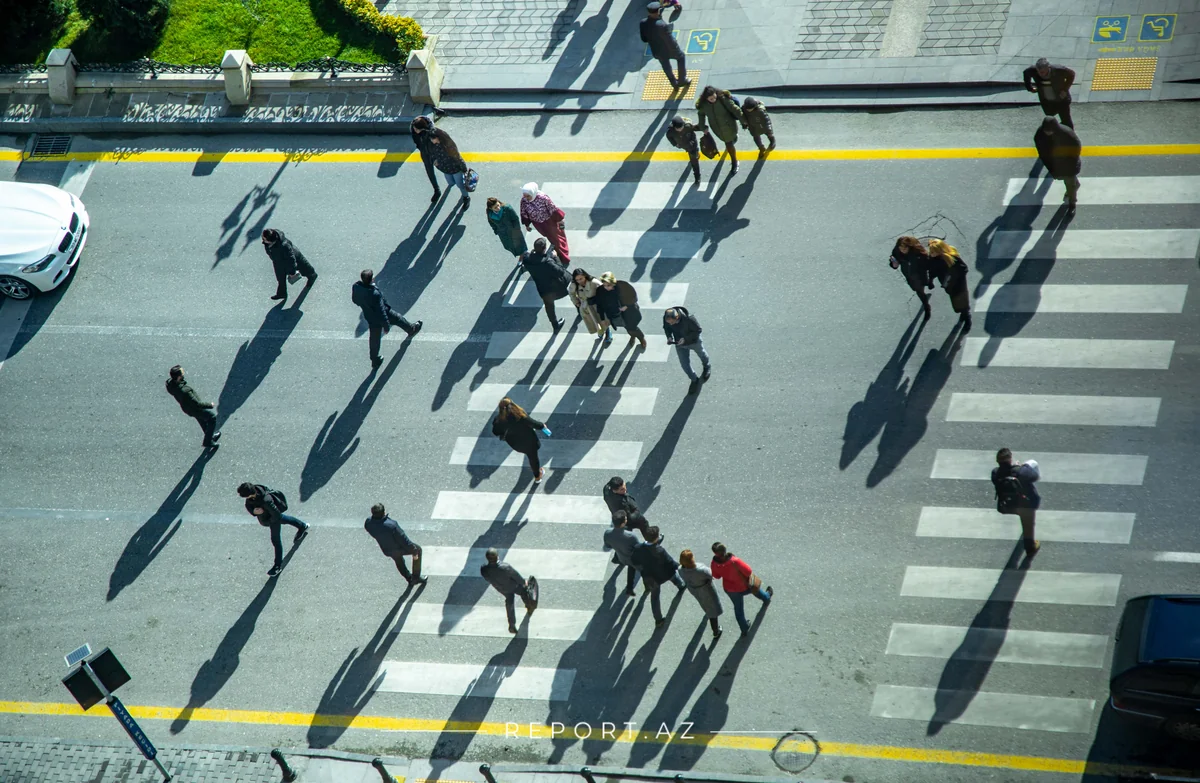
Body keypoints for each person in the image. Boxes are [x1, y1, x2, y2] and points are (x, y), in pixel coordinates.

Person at [352, 269, 423, 368]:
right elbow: (382, 311)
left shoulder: (356, 287)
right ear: (372, 279)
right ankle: (412, 329)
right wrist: (386, 326)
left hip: (370, 317)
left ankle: (374, 359)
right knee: (398, 318)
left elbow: (355, 300)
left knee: (374, 339)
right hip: (383, 314)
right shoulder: (374, 293)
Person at [238, 482, 309, 577]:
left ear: (251, 493)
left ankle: (277, 566)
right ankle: (302, 526)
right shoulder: (253, 494)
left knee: (276, 541)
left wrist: (269, 522)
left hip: (272, 520)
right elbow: (248, 505)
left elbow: (276, 515)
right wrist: (254, 511)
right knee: (285, 519)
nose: (246, 498)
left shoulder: (266, 500)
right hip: (267, 517)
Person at [710, 542, 772, 636]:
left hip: (730, 589)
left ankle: (744, 628)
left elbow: (716, 576)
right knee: (756, 590)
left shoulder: (714, 563)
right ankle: (766, 598)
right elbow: (748, 571)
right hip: (744, 585)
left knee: (738, 609)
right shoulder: (735, 561)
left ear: (715, 553)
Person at [411, 115, 470, 208]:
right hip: (444, 168)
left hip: (454, 168)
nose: (431, 141)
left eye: (432, 139)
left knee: (460, 184)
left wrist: (464, 168)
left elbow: (457, 156)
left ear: (438, 138)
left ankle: (466, 197)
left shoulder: (446, 145)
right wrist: (435, 160)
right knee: (451, 182)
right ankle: (443, 188)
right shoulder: (433, 146)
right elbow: (428, 151)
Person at [992, 448, 1041, 559]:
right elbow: (1034, 476)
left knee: (1023, 516)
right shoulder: (1021, 472)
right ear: (1010, 459)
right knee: (1028, 523)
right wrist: (1019, 467)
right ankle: (1030, 547)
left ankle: (1026, 537)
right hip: (1025, 504)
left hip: (1007, 506)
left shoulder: (995, 473)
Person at [631, 526, 685, 627]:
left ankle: (658, 620)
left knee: (654, 597)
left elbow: (634, 560)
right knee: (674, 577)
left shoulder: (638, 548)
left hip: (650, 577)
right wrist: (681, 566)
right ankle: (681, 586)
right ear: (656, 538)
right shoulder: (659, 551)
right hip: (664, 574)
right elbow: (670, 562)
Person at [364, 503, 427, 586]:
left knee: (399, 561)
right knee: (418, 550)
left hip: (387, 549)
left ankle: (409, 578)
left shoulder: (368, 523)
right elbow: (404, 540)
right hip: (398, 547)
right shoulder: (391, 525)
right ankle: (416, 577)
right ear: (383, 512)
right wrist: (414, 550)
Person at [492, 397, 551, 483]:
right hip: (529, 442)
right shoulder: (520, 415)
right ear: (512, 405)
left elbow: (495, 432)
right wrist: (542, 426)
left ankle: (538, 477)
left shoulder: (498, 420)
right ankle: (537, 476)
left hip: (516, 444)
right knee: (533, 458)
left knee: (531, 456)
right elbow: (534, 423)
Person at [480, 548, 536, 634]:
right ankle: (529, 606)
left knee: (509, 602)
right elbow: (516, 576)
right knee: (523, 592)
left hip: (501, 588)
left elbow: (487, 578)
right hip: (513, 586)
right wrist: (523, 582)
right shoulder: (505, 567)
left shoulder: (484, 569)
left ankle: (511, 624)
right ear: (497, 556)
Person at [520, 238, 572, 331]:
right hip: (557, 288)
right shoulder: (548, 262)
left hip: (544, 290)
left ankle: (555, 325)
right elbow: (560, 272)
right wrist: (555, 257)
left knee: (549, 307)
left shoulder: (527, 259)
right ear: (544, 248)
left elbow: (528, 258)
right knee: (573, 284)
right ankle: (580, 308)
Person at [1034, 116, 1083, 215]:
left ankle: (1072, 204)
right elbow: (1040, 150)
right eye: (1046, 131)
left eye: (1050, 131)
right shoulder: (1040, 134)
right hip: (1055, 163)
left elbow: (1076, 148)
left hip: (1068, 163)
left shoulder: (1067, 133)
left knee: (1070, 183)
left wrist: (1071, 162)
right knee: (1070, 182)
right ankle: (1074, 188)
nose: (1048, 133)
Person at [165, 365, 220, 449]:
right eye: (182, 373)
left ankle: (209, 436)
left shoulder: (171, 386)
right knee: (212, 417)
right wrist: (210, 405)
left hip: (187, 408)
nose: (184, 374)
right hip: (194, 408)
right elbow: (197, 404)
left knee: (202, 420)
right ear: (179, 377)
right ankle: (208, 441)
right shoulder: (185, 391)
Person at [591, 272, 646, 350]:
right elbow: (600, 305)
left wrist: (626, 306)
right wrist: (602, 319)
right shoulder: (601, 291)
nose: (606, 287)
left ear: (613, 282)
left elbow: (633, 298)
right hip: (616, 315)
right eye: (604, 285)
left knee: (632, 328)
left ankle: (641, 338)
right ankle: (633, 336)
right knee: (627, 327)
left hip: (629, 313)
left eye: (608, 285)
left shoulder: (623, 286)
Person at [695, 85, 744, 174]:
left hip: (729, 126)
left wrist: (743, 121)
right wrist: (702, 127)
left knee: (728, 143)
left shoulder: (723, 99)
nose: (713, 100)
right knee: (728, 141)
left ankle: (734, 162)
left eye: (714, 97)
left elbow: (735, 109)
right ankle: (733, 140)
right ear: (706, 99)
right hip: (717, 129)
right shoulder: (704, 105)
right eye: (711, 99)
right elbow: (701, 114)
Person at [641, 3, 689, 90]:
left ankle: (673, 83)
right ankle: (682, 81)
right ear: (659, 11)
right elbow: (670, 39)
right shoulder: (661, 25)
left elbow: (644, 39)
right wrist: (676, 48)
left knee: (665, 65)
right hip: (670, 49)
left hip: (657, 50)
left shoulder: (643, 23)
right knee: (681, 57)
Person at [261, 228, 317, 301]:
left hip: (294, 258)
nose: (262, 239)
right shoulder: (269, 242)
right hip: (278, 262)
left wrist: (292, 272)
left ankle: (312, 275)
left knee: (305, 268)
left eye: (264, 239)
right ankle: (282, 293)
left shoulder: (284, 246)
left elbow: (291, 259)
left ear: (271, 240)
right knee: (280, 279)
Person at [663, 306, 710, 394]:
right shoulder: (667, 318)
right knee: (684, 365)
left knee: (702, 354)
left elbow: (698, 330)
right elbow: (667, 328)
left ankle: (707, 367)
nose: (671, 324)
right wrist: (669, 337)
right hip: (679, 343)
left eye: (672, 322)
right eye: (669, 322)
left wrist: (685, 339)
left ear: (677, 317)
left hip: (693, 341)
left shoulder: (689, 319)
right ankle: (694, 379)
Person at [520, 184, 570, 264]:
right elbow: (524, 212)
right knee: (551, 237)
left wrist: (559, 220)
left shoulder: (543, 198)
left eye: (528, 196)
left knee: (556, 238)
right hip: (538, 224)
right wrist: (527, 225)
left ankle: (563, 256)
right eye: (524, 196)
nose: (526, 198)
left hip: (549, 222)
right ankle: (558, 247)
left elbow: (553, 209)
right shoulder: (524, 200)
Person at [928, 239, 971, 332]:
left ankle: (967, 319)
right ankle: (963, 313)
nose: (931, 254)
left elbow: (964, 269)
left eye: (933, 252)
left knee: (962, 303)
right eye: (931, 251)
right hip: (948, 286)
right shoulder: (932, 259)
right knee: (956, 303)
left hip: (959, 286)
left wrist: (952, 277)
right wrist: (930, 280)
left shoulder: (951, 258)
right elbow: (932, 270)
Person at [679, 549, 723, 640]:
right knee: (713, 609)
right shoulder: (701, 570)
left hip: (694, 589)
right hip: (706, 589)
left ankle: (707, 612)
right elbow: (711, 574)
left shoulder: (681, 570)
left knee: (703, 602)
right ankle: (716, 631)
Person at [889, 235, 934, 321]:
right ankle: (926, 299)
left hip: (919, 276)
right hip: (909, 276)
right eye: (901, 248)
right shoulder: (896, 251)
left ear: (909, 247)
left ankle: (926, 307)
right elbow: (894, 262)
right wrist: (894, 265)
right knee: (919, 290)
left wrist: (930, 277)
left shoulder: (918, 254)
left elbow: (928, 265)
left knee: (920, 291)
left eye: (905, 249)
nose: (902, 251)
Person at [1023, 58, 1075, 129]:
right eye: (1039, 72)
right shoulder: (1032, 71)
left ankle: (1068, 135)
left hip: (1061, 98)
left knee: (1066, 119)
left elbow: (1071, 74)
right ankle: (1056, 131)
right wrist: (1030, 88)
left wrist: (1065, 89)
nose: (1041, 74)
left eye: (1043, 72)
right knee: (1050, 117)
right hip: (1047, 100)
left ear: (1048, 68)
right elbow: (1026, 74)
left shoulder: (1059, 70)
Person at [603, 511, 642, 597]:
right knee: (632, 569)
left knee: (627, 565)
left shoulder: (607, 533)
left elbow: (608, 546)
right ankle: (629, 588)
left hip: (620, 556)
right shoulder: (631, 536)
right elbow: (639, 548)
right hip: (631, 558)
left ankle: (629, 588)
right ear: (623, 523)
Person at [569, 267, 610, 342]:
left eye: (581, 279)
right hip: (585, 307)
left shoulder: (594, 282)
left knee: (603, 320)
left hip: (597, 305)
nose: (579, 281)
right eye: (577, 280)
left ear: (585, 275)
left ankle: (608, 333)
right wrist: (576, 302)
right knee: (593, 321)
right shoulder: (575, 284)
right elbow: (571, 293)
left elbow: (604, 292)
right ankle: (600, 331)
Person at [486, 197, 527, 262]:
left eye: (498, 205)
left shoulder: (507, 208)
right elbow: (491, 223)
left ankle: (522, 257)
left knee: (520, 246)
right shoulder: (490, 214)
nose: (498, 208)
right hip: (503, 234)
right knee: (511, 246)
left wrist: (516, 230)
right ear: (491, 208)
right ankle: (522, 255)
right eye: (495, 207)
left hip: (514, 231)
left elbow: (515, 219)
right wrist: (496, 231)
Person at [666, 116, 702, 186]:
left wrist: (692, 141)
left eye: (681, 127)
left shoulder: (688, 126)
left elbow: (693, 133)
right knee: (691, 155)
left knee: (694, 161)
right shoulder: (670, 132)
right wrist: (675, 144)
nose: (680, 130)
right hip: (683, 145)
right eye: (678, 128)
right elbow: (669, 137)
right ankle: (695, 153)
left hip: (692, 145)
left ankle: (697, 177)